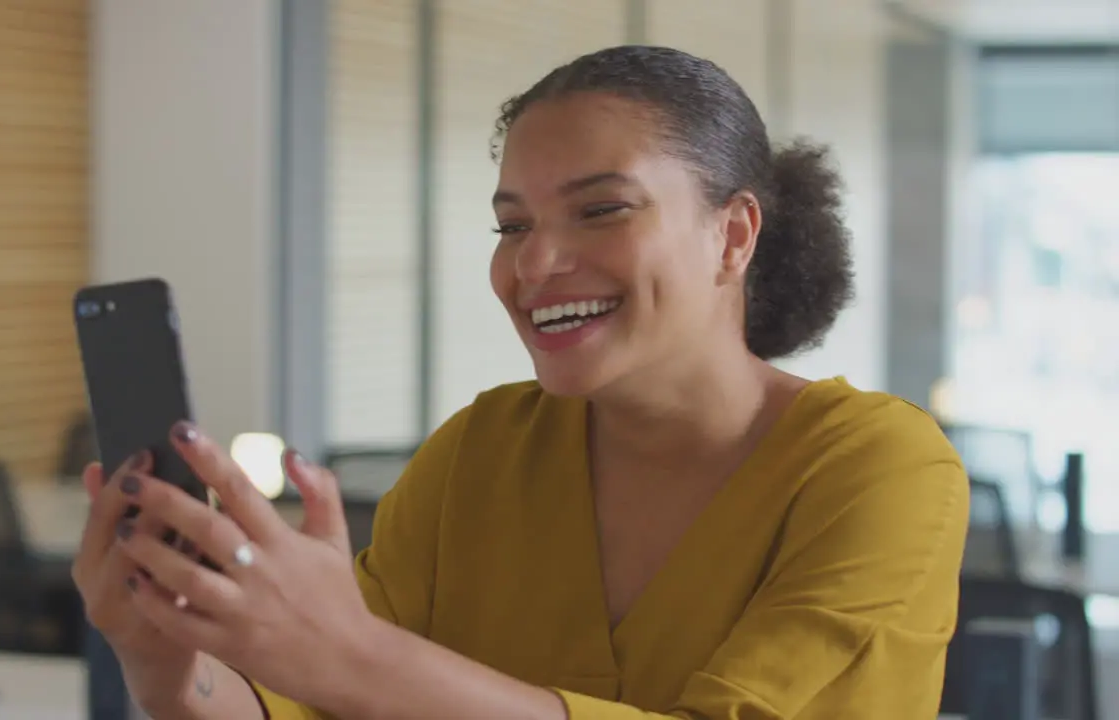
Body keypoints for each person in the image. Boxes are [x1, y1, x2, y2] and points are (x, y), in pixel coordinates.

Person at [72, 45, 969, 719]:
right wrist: (168, 661)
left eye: (601, 209)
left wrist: (348, 654)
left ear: (733, 236)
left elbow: (352, 673)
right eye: (511, 226)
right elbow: (316, 705)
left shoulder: (881, 467)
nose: (534, 263)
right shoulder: (479, 451)